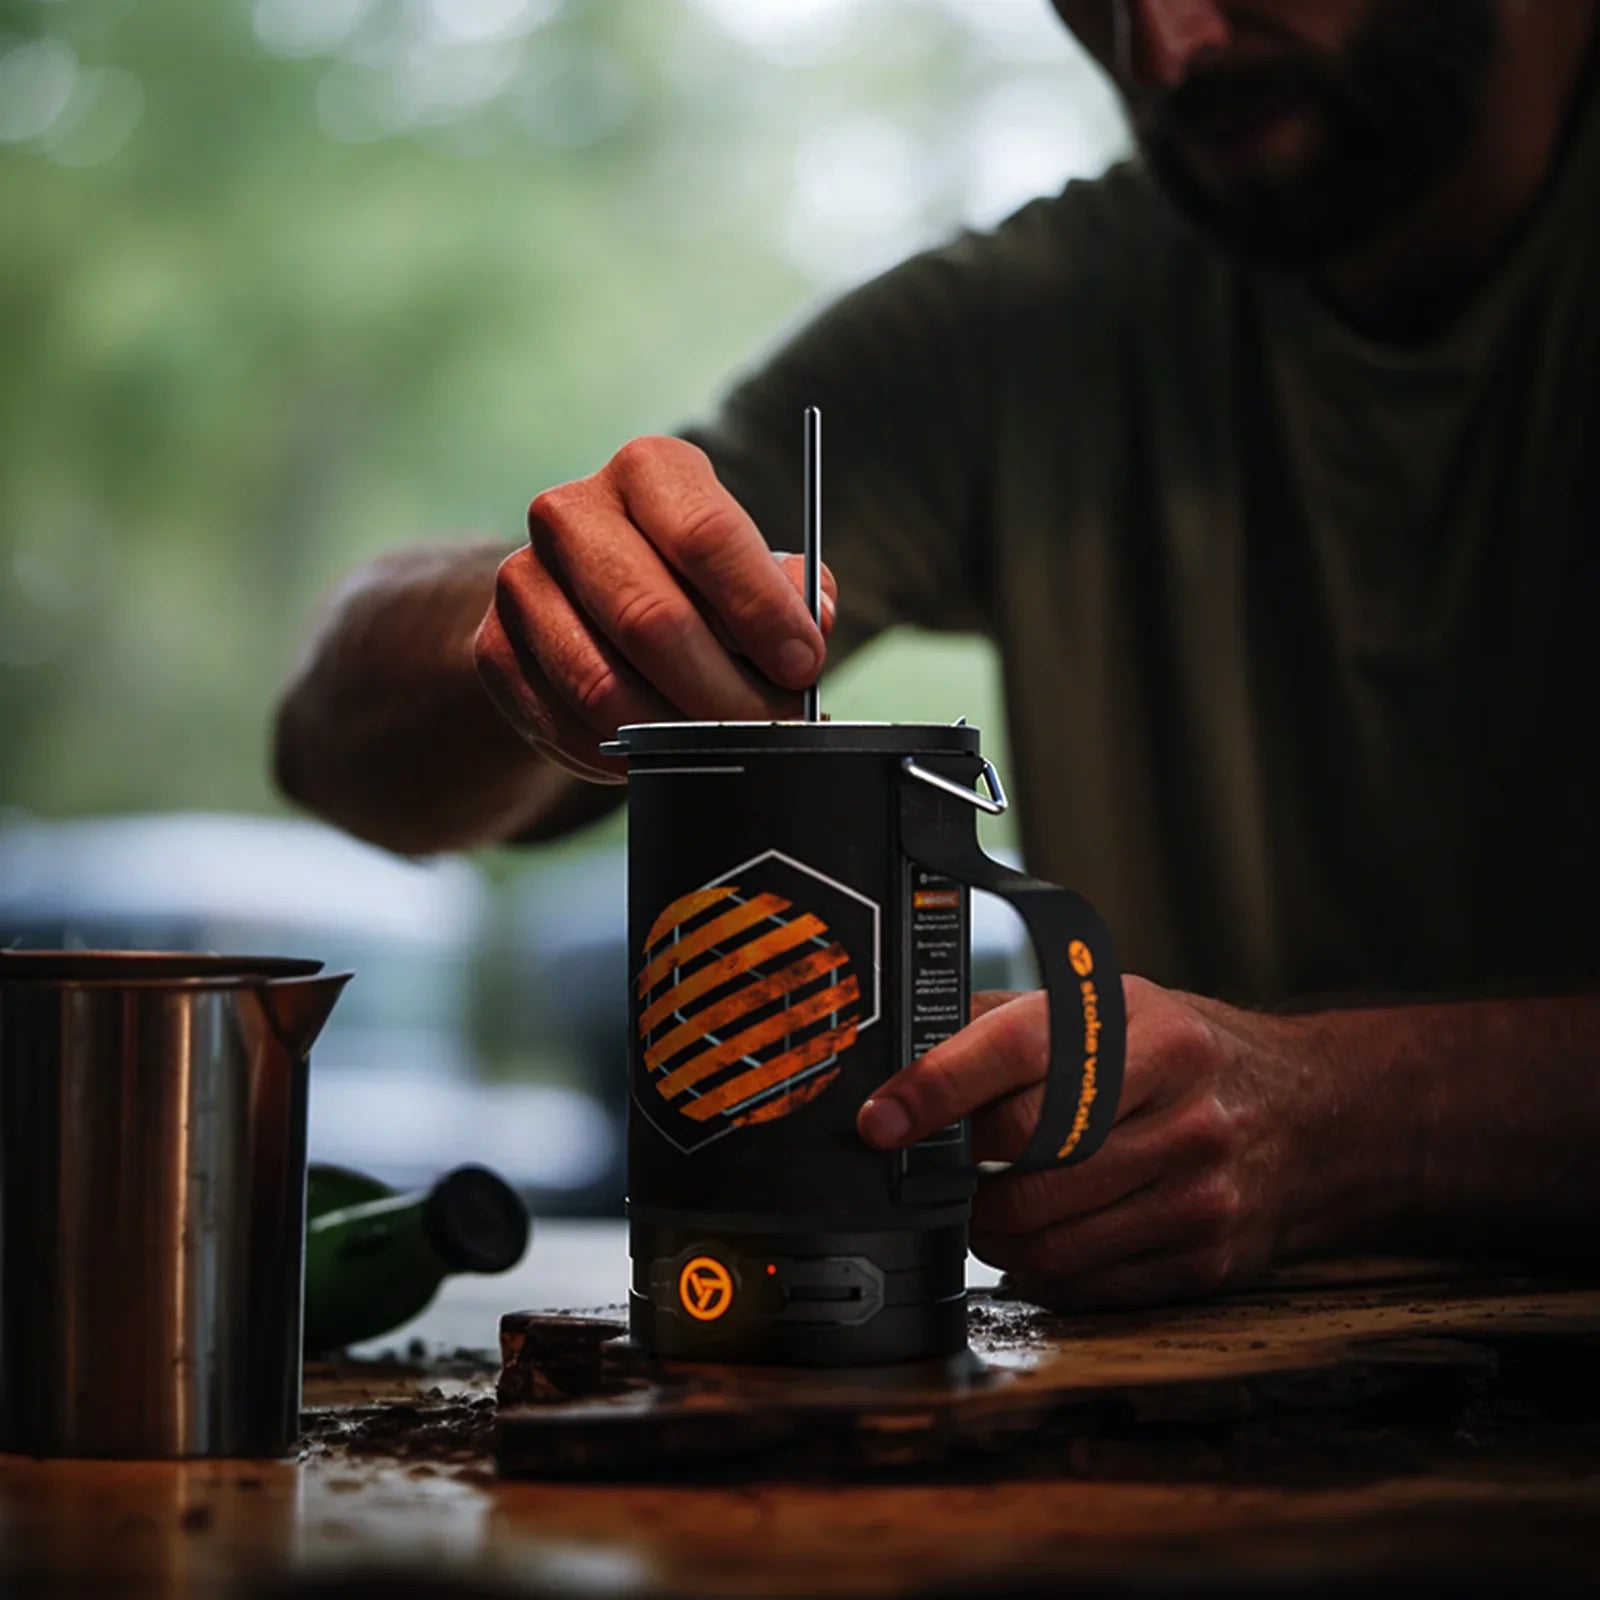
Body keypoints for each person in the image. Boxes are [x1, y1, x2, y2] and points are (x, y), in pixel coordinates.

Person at [274, 0, 1600, 1309]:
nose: (1165, 48)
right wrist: (535, 633)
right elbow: (337, 748)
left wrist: (1362, 1120)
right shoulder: (1033, 327)